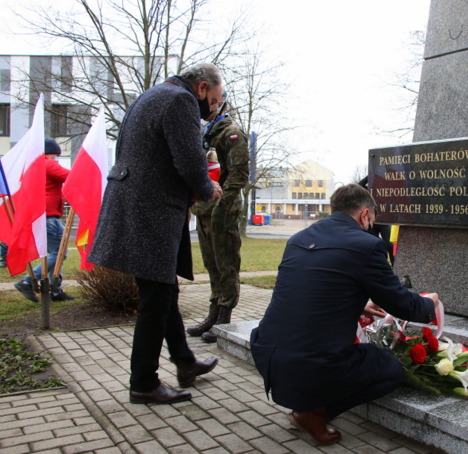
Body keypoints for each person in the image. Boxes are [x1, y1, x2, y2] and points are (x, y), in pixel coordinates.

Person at [250, 183, 439, 445]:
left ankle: (306, 404)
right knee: (390, 369)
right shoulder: (368, 246)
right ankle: (314, 413)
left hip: (267, 353)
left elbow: (305, 288)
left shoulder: (298, 238)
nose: (371, 227)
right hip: (311, 366)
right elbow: (404, 306)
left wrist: (359, 304)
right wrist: (429, 302)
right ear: (364, 215)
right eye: (372, 221)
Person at [89, 63, 225, 405]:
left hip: (137, 207)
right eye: (215, 100)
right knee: (156, 300)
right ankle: (144, 383)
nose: (213, 109)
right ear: (202, 88)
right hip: (151, 212)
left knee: (163, 292)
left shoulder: (152, 94)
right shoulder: (179, 101)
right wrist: (207, 187)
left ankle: (184, 361)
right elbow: (189, 161)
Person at [187, 104, 249, 344]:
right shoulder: (205, 134)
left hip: (221, 212)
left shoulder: (231, 133)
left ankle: (225, 317)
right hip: (203, 209)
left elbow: (239, 175)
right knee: (211, 265)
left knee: (227, 265)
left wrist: (222, 207)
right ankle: (213, 313)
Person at [14, 138, 74, 302]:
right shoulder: (48, 164)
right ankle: (27, 282)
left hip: (42, 215)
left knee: (58, 253)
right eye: (57, 156)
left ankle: (56, 290)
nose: (57, 159)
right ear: (51, 153)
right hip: (48, 216)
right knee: (59, 253)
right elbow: (72, 177)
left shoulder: (35, 166)